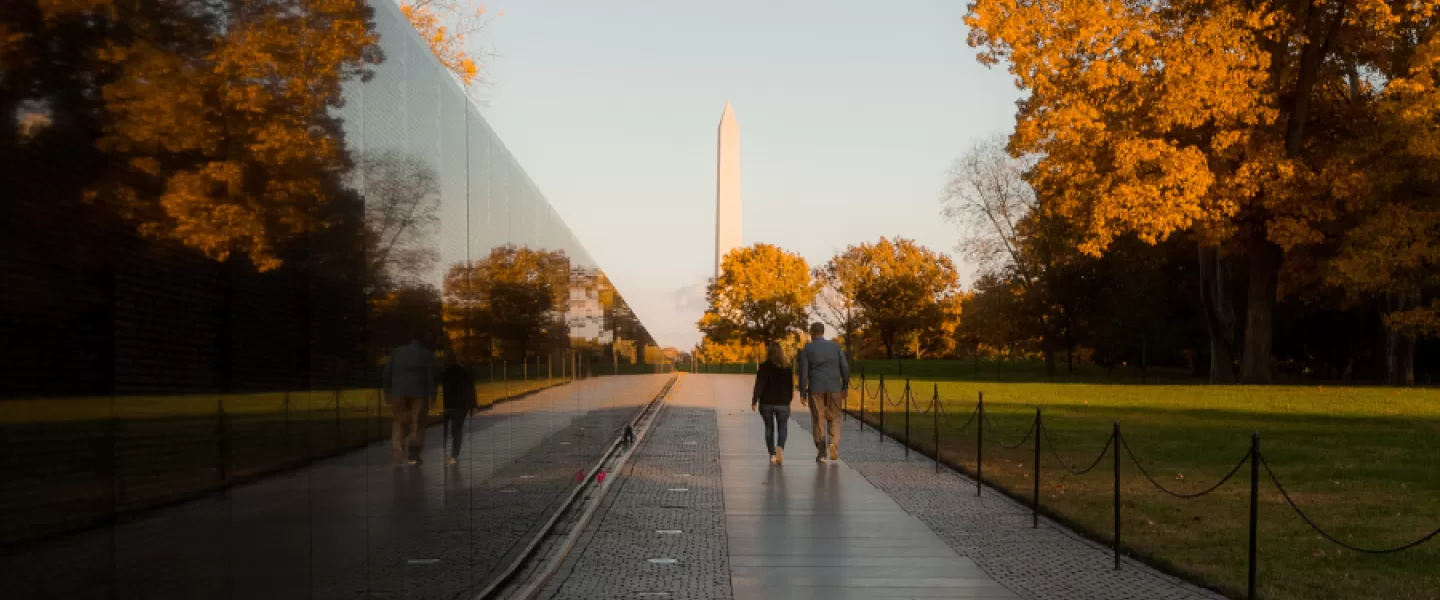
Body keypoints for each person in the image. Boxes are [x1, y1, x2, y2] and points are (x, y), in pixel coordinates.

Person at [797, 322, 849, 463]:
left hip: (816, 387)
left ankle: (821, 451)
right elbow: (844, 367)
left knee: (818, 419)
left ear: (812, 333)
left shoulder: (807, 349)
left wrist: (802, 392)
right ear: (823, 332)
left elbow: (803, 373)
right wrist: (845, 385)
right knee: (835, 417)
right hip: (834, 386)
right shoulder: (836, 347)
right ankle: (833, 443)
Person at [382, 335, 436, 466]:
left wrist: (387, 391)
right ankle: (413, 455)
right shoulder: (427, 355)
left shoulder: (396, 353)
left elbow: (387, 372)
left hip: (398, 392)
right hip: (419, 393)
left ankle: (398, 454)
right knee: (417, 424)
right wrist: (433, 394)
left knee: (398, 422)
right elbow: (431, 377)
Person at [751, 342, 794, 465]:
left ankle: (772, 454)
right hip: (783, 402)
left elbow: (759, 385)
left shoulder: (764, 367)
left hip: (767, 402)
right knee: (783, 427)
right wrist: (788, 399)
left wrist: (754, 400)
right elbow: (790, 386)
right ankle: (780, 447)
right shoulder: (787, 367)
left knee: (769, 428)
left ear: (769, 352)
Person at [439, 349, 477, 466]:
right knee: (456, 431)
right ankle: (453, 455)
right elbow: (470, 389)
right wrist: (473, 405)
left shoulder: (444, 371)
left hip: (447, 405)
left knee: (445, 431)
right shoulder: (464, 371)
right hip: (461, 405)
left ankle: (445, 453)